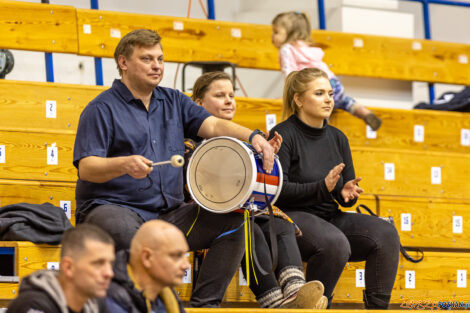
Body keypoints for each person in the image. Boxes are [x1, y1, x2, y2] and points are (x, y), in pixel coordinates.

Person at [73, 28, 275, 308]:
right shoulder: (100, 109)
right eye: (146, 59)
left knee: (233, 220)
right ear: (123, 62)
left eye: (160, 59)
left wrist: (254, 136)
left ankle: (205, 306)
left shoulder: (175, 101)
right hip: (113, 208)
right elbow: (87, 169)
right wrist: (124, 164)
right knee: (135, 239)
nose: (156, 66)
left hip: (167, 214)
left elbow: (214, 125)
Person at [188, 71, 327, 309]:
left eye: (231, 95)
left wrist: (265, 159)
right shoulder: (190, 140)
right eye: (220, 95)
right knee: (247, 227)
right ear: (198, 103)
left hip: (243, 207)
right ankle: (273, 301)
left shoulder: (245, 140)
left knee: (281, 223)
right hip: (209, 212)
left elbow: (255, 184)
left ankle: (295, 289)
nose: (229, 100)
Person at [269, 67, 400, 309]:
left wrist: (345, 194)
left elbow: (345, 196)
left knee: (386, 233)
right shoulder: (282, 134)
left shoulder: (338, 137)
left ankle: (377, 307)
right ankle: (315, 304)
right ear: (298, 99)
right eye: (319, 93)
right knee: (335, 242)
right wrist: (322, 187)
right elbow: (278, 192)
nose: (328, 99)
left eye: (330, 93)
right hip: (292, 219)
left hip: (329, 217)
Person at [271, 11, 382, 131]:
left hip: (317, 87)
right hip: (333, 83)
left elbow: (290, 73)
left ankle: (321, 131)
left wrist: (287, 96)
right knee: (345, 101)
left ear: (290, 33)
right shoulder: (308, 47)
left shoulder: (287, 49)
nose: (272, 36)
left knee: (316, 107)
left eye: (276, 32)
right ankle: (363, 112)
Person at [7, 224, 115, 313]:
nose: (109, 273)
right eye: (98, 263)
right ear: (68, 267)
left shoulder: (96, 304)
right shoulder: (35, 306)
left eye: (110, 263)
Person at [106, 220, 188, 313]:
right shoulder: (112, 300)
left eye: (185, 255)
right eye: (176, 256)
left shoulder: (167, 294)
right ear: (147, 258)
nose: (186, 265)